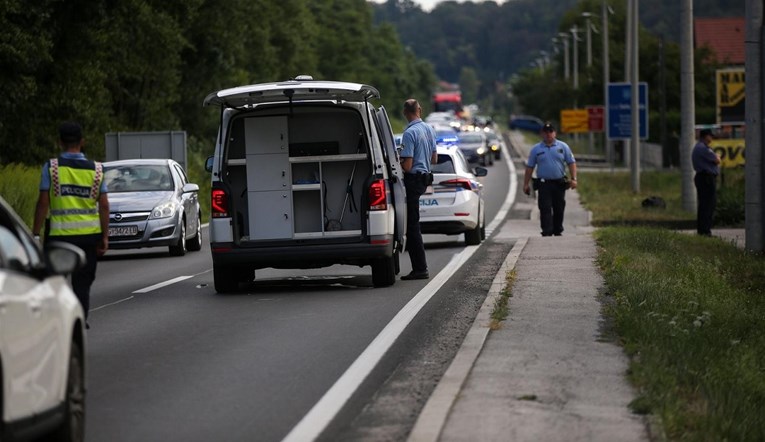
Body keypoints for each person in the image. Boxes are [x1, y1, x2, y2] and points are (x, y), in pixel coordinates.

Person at [33, 122, 109, 322]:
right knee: (82, 287)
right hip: (88, 239)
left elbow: (42, 203)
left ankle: (57, 327)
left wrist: (35, 233)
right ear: (82, 142)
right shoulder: (97, 170)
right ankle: (79, 326)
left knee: (55, 285)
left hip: (59, 239)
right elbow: (104, 206)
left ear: (60, 142)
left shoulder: (51, 168)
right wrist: (104, 236)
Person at [399, 99, 438, 280]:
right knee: (413, 224)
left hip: (413, 180)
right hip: (425, 178)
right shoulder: (429, 129)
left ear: (405, 112)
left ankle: (420, 268)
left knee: (412, 226)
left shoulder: (409, 133)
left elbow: (407, 166)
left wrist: (397, 162)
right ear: (419, 110)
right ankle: (419, 267)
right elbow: (434, 159)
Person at [522, 122, 577, 236]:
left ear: (555, 133)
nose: (548, 134)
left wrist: (574, 179)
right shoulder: (536, 149)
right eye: (546, 132)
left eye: (550, 132)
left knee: (559, 208)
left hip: (559, 183)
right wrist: (526, 184)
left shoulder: (563, 147)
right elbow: (530, 167)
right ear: (542, 134)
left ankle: (557, 229)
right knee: (545, 207)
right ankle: (547, 230)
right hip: (544, 183)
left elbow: (571, 163)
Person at [691, 128, 721, 236]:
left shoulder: (700, 147)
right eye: (710, 135)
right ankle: (705, 231)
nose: (712, 137)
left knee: (704, 204)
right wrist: (717, 156)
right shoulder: (703, 148)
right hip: (706, 178)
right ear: (705, 136)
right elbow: (717, 160)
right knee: (708, 205)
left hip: (704, 178)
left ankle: (703, 230)